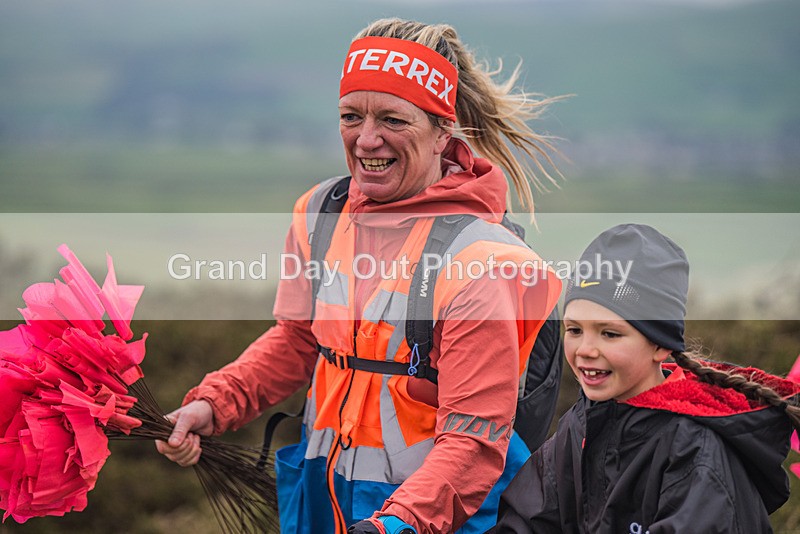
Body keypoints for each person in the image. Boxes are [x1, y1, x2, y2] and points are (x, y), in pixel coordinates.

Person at [156, 18, 566, 534]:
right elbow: (298, 340)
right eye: (351, 116)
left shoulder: (481, 260)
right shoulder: (320, 215)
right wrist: (213, 404)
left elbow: (473, 440)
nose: (366, 140)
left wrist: (393, 526)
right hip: (323, 500)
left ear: (443, 132)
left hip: (436, 518)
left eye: (393, 120)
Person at [492, 224, 800, 533]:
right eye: (574, 330)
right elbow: (525, 521)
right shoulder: (582, 423)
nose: (585, 349)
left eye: (609, 333)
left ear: (660, 344)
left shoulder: (694, 450)